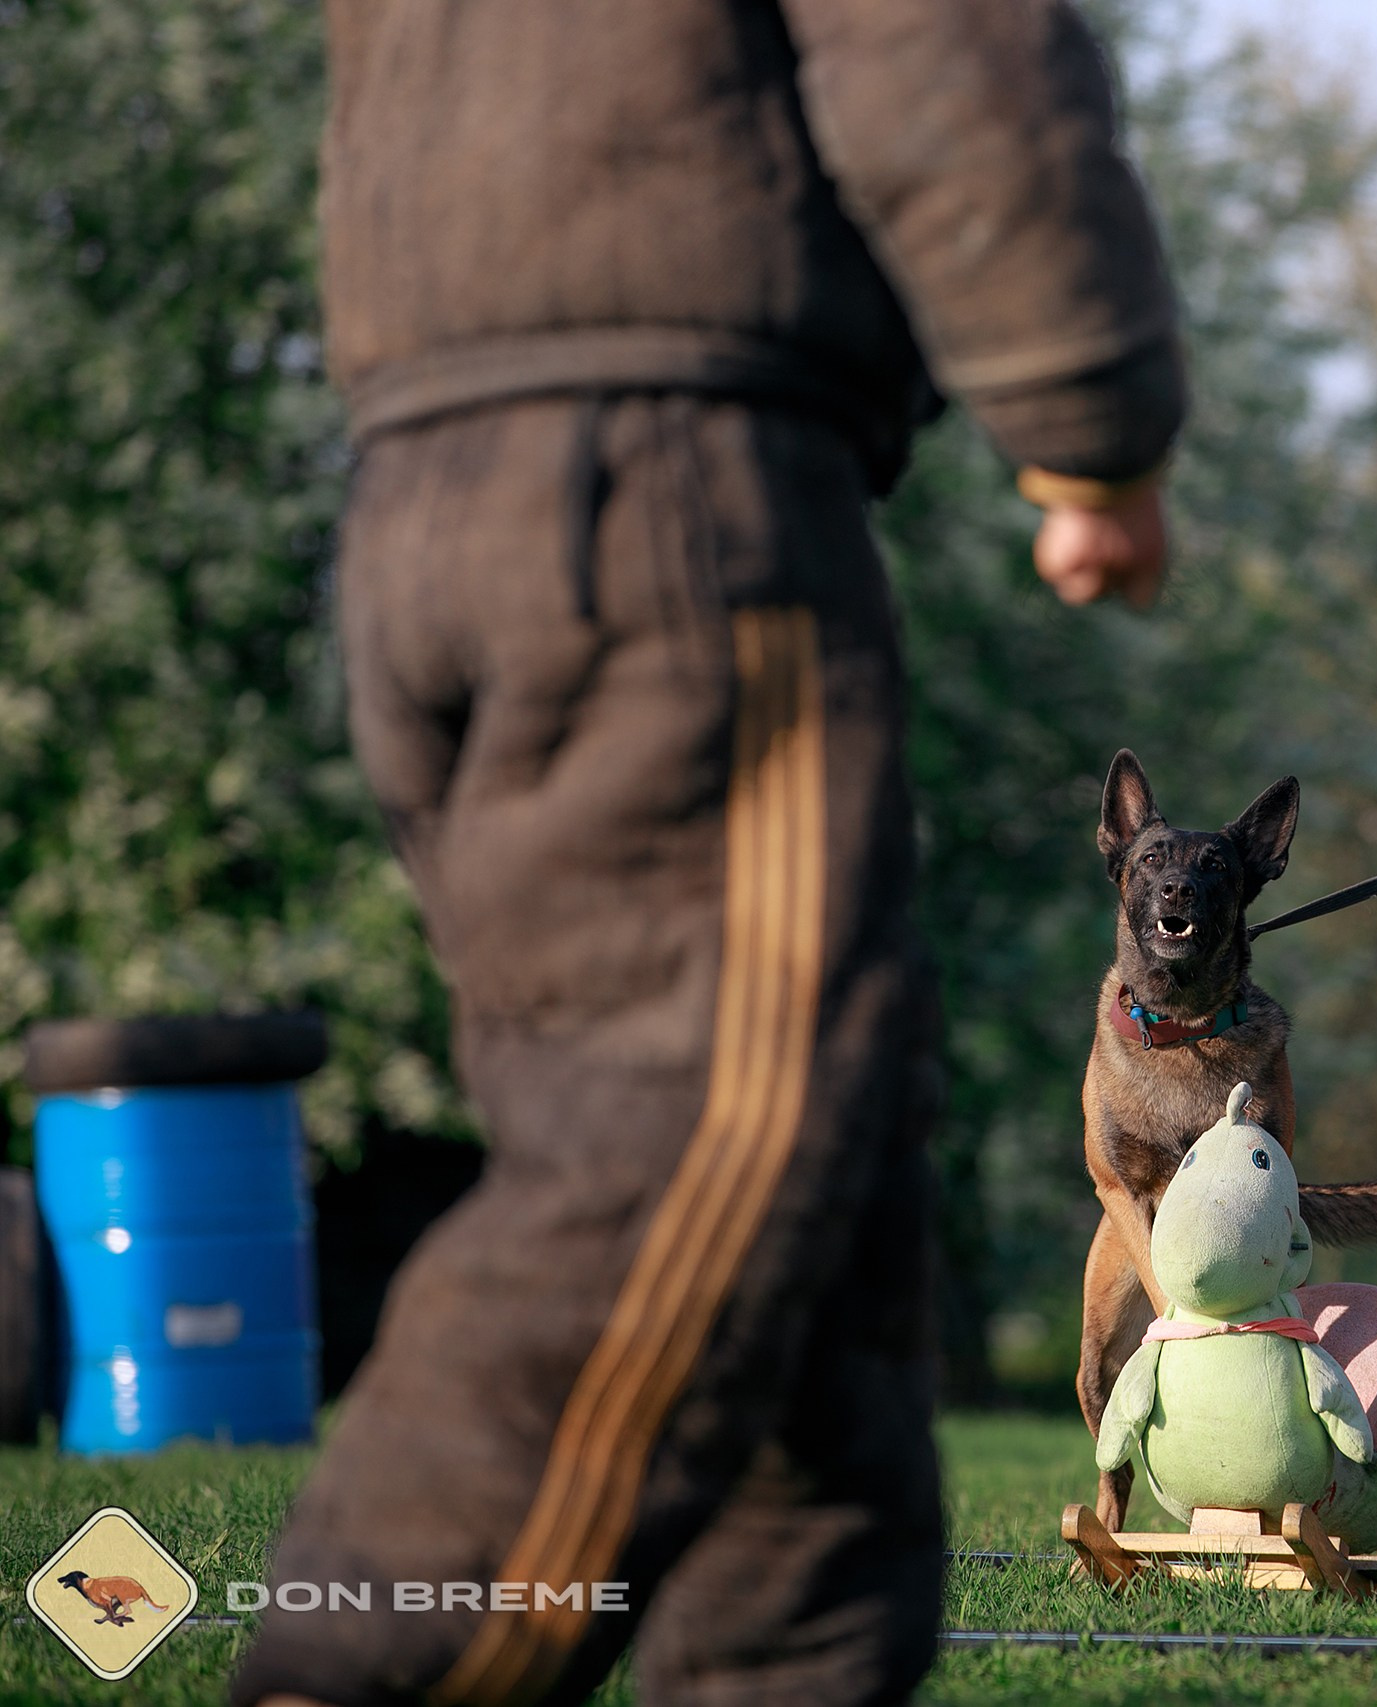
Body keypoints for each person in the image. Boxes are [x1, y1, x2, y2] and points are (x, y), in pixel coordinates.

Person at [234, 5, 1180, 1704]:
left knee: (814, 1258)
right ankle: (353, 1667)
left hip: (423, 491)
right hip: (662, 489)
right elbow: (945, 41)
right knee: (692, 1150)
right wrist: (1089, 412)